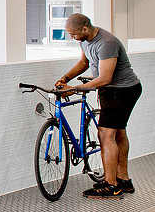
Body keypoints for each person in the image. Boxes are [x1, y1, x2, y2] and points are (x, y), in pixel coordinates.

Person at [55, 13, 142, 199]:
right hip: (112, 90)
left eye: (74, 34)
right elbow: (84, 62)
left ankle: (111, 185)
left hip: (122, 90)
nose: (73, 38)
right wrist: (66, 78)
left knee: (105, 134)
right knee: (118, 132)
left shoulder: (107, 43)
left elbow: (105, 78)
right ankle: (123, 180)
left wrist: (75, 89)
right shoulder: (85, 41)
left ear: (85, 29)